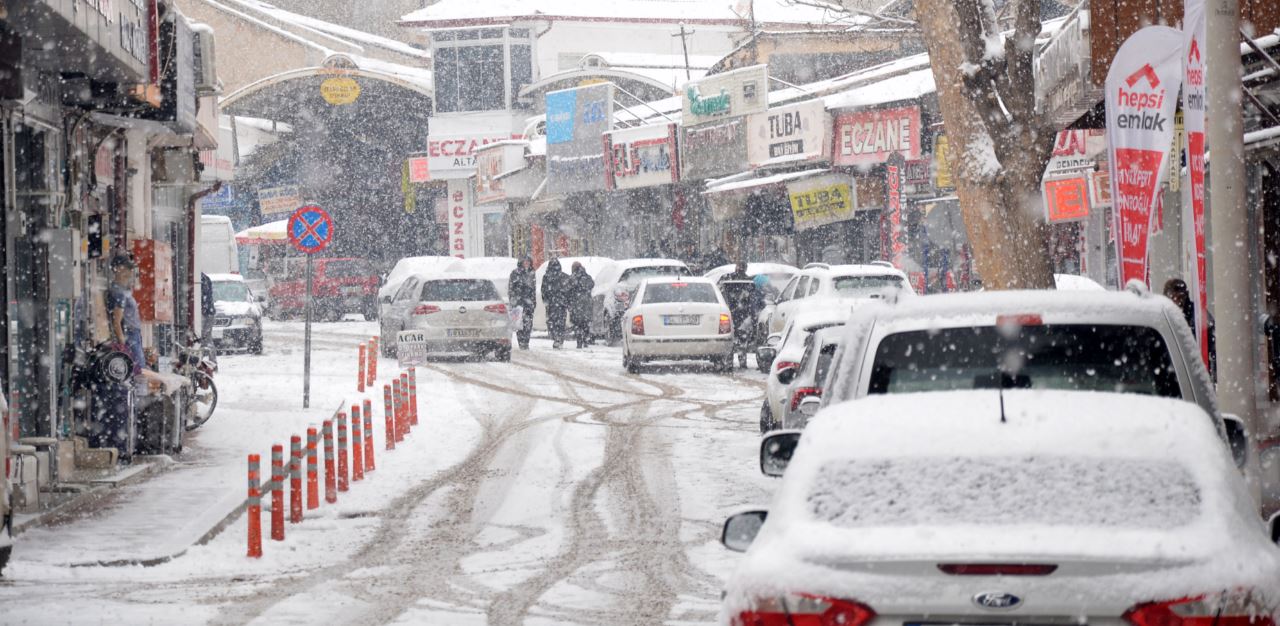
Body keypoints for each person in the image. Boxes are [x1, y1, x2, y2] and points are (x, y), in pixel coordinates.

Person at [1163, 278, 1217, 380]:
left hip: (1196, 372)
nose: (1177, 301)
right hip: (1172, 373)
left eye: (1180, 297)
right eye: (1173, 297)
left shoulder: (1198, 315)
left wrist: (1213, 375)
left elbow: (1214, 345)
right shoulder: (1163, 315)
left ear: (1186, 295)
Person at [508, 258, 537, 350]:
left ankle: (526, 342)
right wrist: (513, 300)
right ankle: (521, 342)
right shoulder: (515, 273)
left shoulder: (532, 273)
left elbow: (533, 289)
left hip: (529, 303)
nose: (527, 264)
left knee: (528, 324)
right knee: (519, 323)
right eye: (525, 262)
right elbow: (511, 288)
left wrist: (533, 301)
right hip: (518, 303)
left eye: (528, 262)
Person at [542, 258, 569, 349]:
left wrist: (546, 300)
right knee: (560, 322)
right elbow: (568, 289)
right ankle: (559, 338)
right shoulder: (563, 276)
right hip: (560, 304)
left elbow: (544, 290)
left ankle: (557, 338)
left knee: (553, 322)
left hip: (553, 304)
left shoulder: (547, 277)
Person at [568, 262, 595, 349]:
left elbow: (569, 290)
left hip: (576, 304)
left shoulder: (572, 277)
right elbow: (592, 284)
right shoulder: (587, 276)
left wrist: (569, 302)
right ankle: (586, 340)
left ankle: (579, 341)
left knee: (577, 323)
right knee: (585, 323)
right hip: (586, 303)